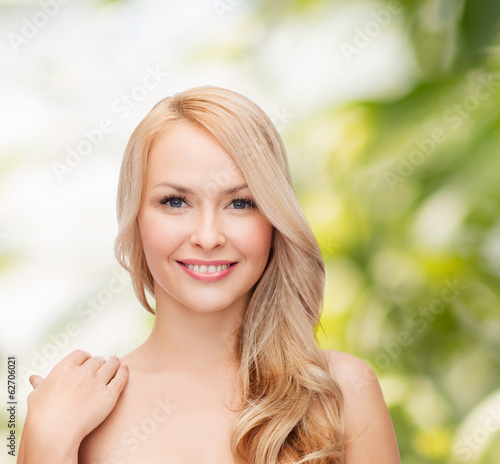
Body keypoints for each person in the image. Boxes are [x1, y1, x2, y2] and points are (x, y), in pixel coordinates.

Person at [18, 85, 400, 463]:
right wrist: (46, 444)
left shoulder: (345, 391)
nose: (207, 237)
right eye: (175, 201)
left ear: (273, 221)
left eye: (239, 203)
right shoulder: (76, 414)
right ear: (136, 219)